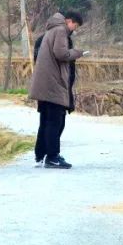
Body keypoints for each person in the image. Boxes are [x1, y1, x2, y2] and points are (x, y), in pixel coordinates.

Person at [28, 10, 86, 169]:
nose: (74, 29)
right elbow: (61, 54)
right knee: (56, 121)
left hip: (44, 84)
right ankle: (52, 157)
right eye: (75, 25)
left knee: (46, 120)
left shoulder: (49, 31)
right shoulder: (60, 30)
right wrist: (78, 53)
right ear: (69, 21)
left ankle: (41, 155)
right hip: (53, 84)